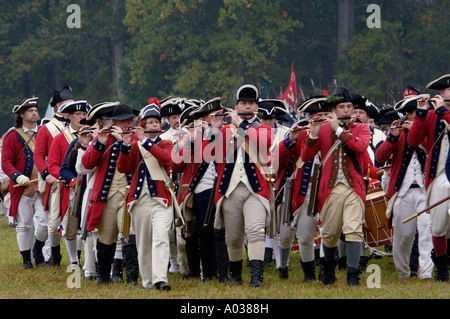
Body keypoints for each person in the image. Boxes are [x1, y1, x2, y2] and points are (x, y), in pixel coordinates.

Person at [202, 84, 272, 287]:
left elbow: (262, 142)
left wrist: (238, 126)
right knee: (233, 238)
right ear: (236, 105)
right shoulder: (224, 131)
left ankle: (257, 277)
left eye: (251, 103)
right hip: (230, 189)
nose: (247, 107)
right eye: (244, 103)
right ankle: (235, 276)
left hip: (255, 189)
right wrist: (214, 130)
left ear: (256, 107)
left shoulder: (264, 128)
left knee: (255, 230)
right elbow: (208, 155)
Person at [300, 87, 371, 286]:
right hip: (329, 189)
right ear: (334, 109)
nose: (347, 110)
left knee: (353, 229)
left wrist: (338, 130)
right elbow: (305, 157)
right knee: (330, 234)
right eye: (342, 107)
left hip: (354, 187)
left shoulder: (361, 128)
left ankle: (353, 275)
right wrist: (312, 135)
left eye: (350, 107)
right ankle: (329, 271)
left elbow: (360, 147)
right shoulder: (322, 128)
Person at [117, 100, 175, 290]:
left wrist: (145, 141)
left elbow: (166, 159)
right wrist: (125, 145)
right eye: (149, 122)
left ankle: (160, 279)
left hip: (161, 200)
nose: (154, 125)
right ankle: (148, 281)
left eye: (156, 122)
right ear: (142, 126)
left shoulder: (166, 143)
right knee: (143, 243)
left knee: (160, 238)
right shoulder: (134, 146)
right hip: (139, 200)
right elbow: (123, 167)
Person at [376, 96, 433, 279]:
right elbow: (379, 157)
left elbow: (435, 151)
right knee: (403, 236)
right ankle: (403, 272)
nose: (419, 118)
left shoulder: (431, 133)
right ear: (407, 115)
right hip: (403, 191)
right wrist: (392, 136)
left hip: (426, 191)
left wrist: (419, 135)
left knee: (426, 232)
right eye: (415, 114)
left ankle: (426, 273)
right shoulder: (397, 133)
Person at [81, 103, 139, 284]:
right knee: (106, 237)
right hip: (107, 195)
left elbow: (139, 159)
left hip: (130, 194)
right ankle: (103, 277)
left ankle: (131, 278)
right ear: (114, 122)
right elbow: (87, 164)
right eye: (124, 121)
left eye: (130, 120)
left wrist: (125, 142)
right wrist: (100, 142)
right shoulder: (103, 138)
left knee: (129, 234)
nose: (128, 124)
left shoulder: (137, 138)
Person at [273, 96, 329, 281]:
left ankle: (309, 275)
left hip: (319, 191)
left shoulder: (334, 134)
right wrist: (290, 140)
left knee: (306, 237)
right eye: (317, 115)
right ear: (310, 118)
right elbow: (275, 163)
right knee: (285, 236)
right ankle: (283, 268)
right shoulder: (299, 134)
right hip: (293, 191)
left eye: (324, 114)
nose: (321, 118)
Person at [172, 97, 222, 281]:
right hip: (196, 189)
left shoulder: (224, 133)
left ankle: (214, 271)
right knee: (194, 232)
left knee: (214, 232)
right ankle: (196, 272)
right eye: (210, 117)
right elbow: (176, 165)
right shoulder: (190, 138)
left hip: (219, 188)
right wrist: (191, 142)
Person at [409, 74, 450, 281]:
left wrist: (443, 110)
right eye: (444, 92)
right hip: (438, 176)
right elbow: (413, 140)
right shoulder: (433, 115)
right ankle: (442, 268)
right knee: (439, 224)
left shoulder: (442, 112)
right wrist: (421, 113)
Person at [1, 97, 48, 268]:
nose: (35, 113)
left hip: (42, 187)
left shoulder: (44, 132)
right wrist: (17, 176)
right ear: (21, 114)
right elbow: (5, 162)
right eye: (30, 111)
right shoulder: (12, 136)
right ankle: (27, 260)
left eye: (36, 110)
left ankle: (37, 250)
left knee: (44, 224)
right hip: (22, 189)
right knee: (24, 225)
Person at [47, 100, 91, 268]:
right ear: (70, 117)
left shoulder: (94, 134)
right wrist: (72, 180)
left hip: (91, 184)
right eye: (78, 115)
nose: (82, 117)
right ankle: (73, 259)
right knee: (69, 226)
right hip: (68, 187)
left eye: (84, 114)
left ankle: (88, 261)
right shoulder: (60, 138)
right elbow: (53, 165)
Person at [34, 85, 73, 266]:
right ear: (58, 107)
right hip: (54, 178)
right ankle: (54, 254)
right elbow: (39, 155)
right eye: (67, 105)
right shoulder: (47, 128)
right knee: (53, 221)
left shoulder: (77, 127)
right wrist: (45, 173)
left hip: (73, 178)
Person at [160, 96, 189, 275]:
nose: (177, 120)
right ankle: (174, 261)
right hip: (168, 185)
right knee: (169, 229)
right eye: (173, 117)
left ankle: (185, 260)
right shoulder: (163, 137)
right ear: (167, 119)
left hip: (185, 184)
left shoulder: (189, 134)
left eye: (179, 116)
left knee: (184, 227)